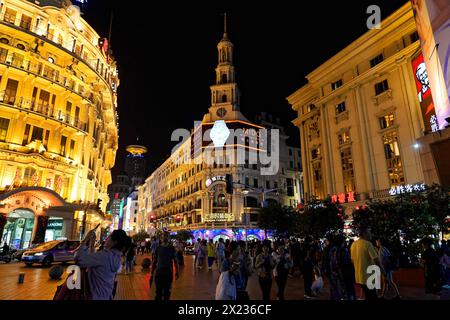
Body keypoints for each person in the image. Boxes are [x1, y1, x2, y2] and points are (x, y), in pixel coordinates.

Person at [75, 229, 130, 300]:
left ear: (114, 242)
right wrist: (92, 244)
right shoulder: (117, 257)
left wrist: (85, 239)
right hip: (106, 295)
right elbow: (94, 262)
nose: (106, 238)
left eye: (109, 237)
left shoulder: (104, 256)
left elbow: (79, 260)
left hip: (95, 295)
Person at [350, 227, 385, 300]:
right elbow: (376, 260)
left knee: (368, 295)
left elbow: (352, 260)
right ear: (364, 234)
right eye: (369, 233)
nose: (371, 235)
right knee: (372, 296)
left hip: (359, 277)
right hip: (369, 277)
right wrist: (383, 272)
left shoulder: (353, 244)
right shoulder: (368, 244)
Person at [150, 232, 179, 300]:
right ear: (161, 238)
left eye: (166, 236)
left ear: (169, 238)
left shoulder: (172, 248)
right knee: (158, 293)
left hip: (168, 273)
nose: (165, 238)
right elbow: (154, 261)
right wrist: (151, 273)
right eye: (163, 236)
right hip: (159, 273)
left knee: (167, 293)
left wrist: (177, 271)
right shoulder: (158, 248)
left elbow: (175, 260)